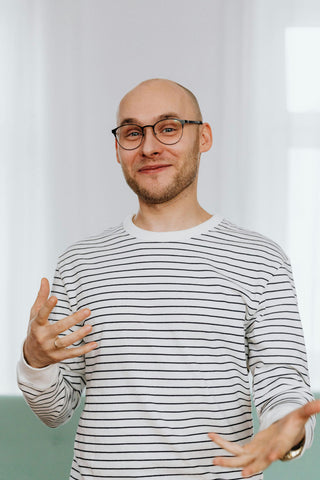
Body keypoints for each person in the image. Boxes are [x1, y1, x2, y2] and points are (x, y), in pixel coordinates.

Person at [17, 78, 320, 480]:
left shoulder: (260, 258)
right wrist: (34, 361)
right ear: (118, 148)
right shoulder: (80, 262)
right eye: (132, 133)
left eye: (168, 127)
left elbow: (283, 382)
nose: (149, 146)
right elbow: (56, 411)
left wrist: (286, 431)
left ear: (204, 137)